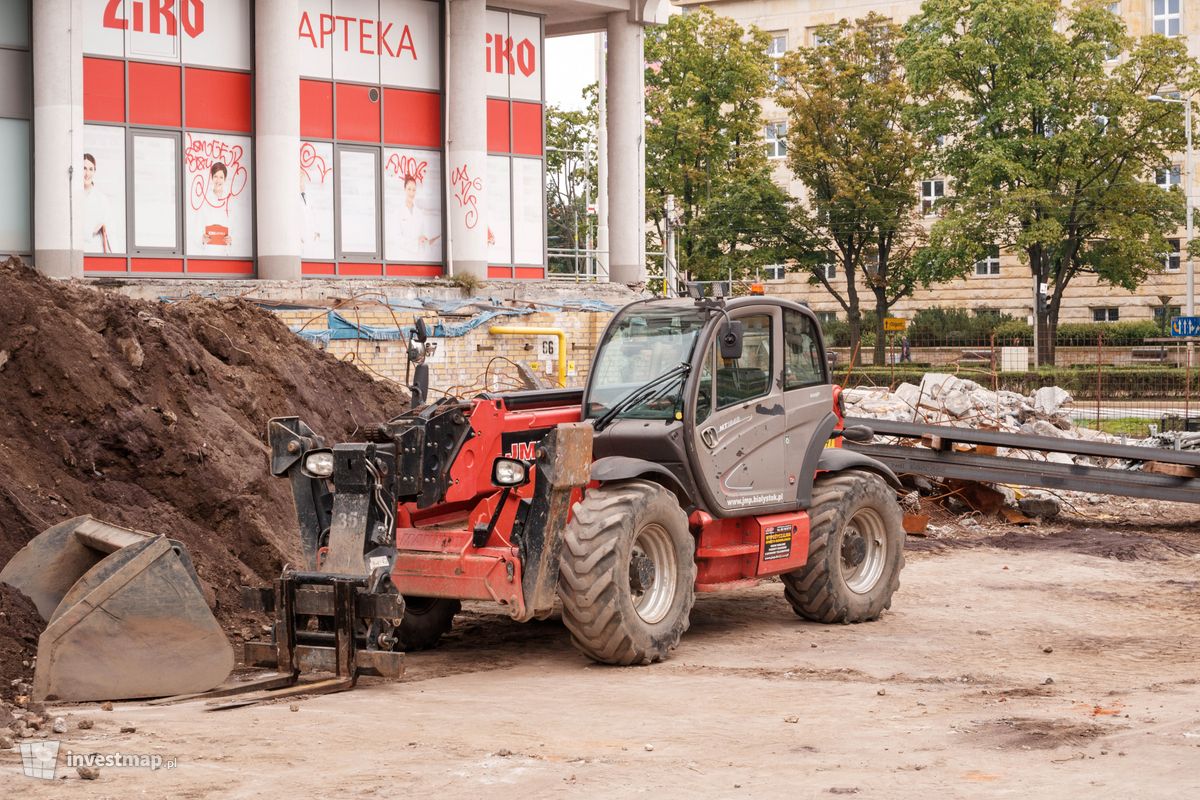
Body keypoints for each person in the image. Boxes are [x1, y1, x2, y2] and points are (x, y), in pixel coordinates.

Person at [391, 175, 440, 260]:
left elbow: (423, 235)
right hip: (402, 257)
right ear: (404, 190)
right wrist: (416, 242)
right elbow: (397, 239)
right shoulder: (398, 212)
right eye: (409, 189)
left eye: (414, 190)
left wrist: (426, 239)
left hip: (418, 257)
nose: (411, 193)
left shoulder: (419, 213)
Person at [82, 153, 113, 253]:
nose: (87, 173)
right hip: (77, 253)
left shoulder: (102, 199)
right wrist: (92, 231)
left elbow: (110, 232)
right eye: (84, 168)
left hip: (96, 252)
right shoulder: (72, 198)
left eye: (91, 169)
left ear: (94, 171)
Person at [199, 162, 232, 254]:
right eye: (215, 176)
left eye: (221, 177)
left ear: (225, 179)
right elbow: (198, 224)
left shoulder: (230, 200)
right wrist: (202, 239)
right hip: (209, 250)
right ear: (212, 178)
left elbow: (235, 227)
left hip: (224, 251)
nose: (218, 180)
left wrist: (231, 240)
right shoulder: (205, 200)